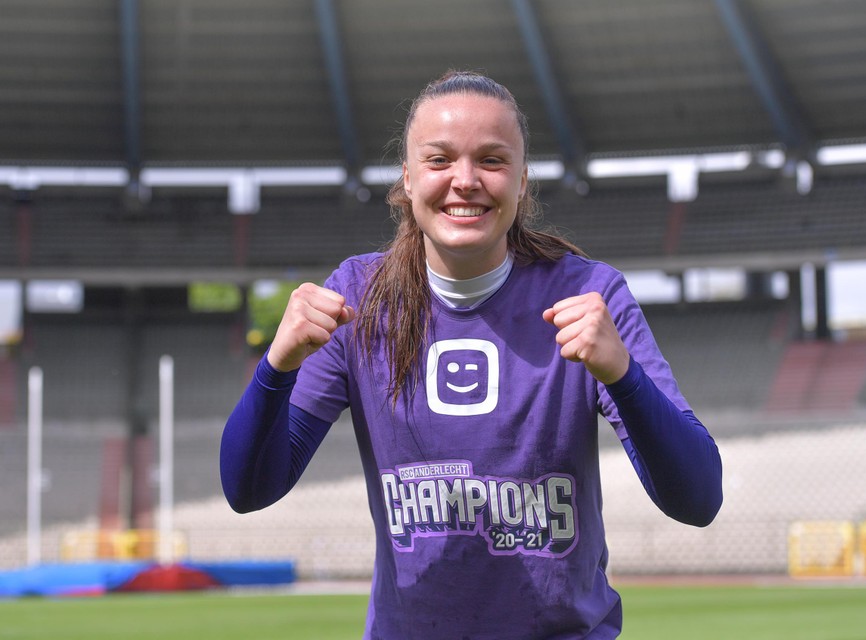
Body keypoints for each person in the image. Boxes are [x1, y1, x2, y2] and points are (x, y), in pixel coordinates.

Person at [220, 70, 722, 639]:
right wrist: (275, 370)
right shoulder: (358, 298)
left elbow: (699, 498)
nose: (465, 180)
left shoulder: (589, 297)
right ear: (407, 179)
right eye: (439, 161)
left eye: (491, 159)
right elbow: (249, 489)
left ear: (522, 181)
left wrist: (624, 377)